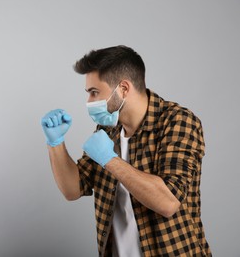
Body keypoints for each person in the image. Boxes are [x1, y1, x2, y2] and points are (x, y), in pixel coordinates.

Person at [40, 45, 211, 257]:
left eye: (94, 92)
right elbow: (73, 189)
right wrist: (56, 143)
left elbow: (168, 202)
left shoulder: (178, 121)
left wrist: (109, 159)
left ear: (123, 89)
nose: (89, 102)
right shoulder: (108, 129)